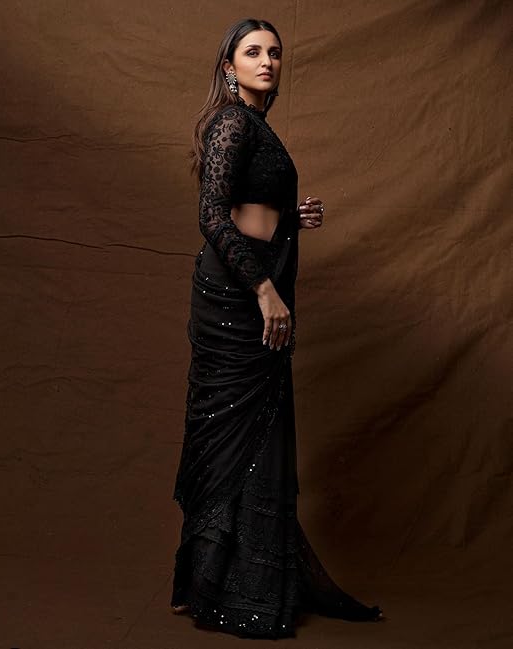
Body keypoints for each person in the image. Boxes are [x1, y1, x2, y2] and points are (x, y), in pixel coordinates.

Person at [170, 17, 384, 639]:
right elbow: (213, 215)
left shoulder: (258, 126)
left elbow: (249, 207)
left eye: (275, 52)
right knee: (232, 435)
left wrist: (290, 216)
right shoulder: (233, 122)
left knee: (257, 432)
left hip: (254, 283)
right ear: (229, 66)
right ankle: (223, 589)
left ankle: (217, 582)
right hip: (234, 294)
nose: (267, 61)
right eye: (252, 51)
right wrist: (264, 290)